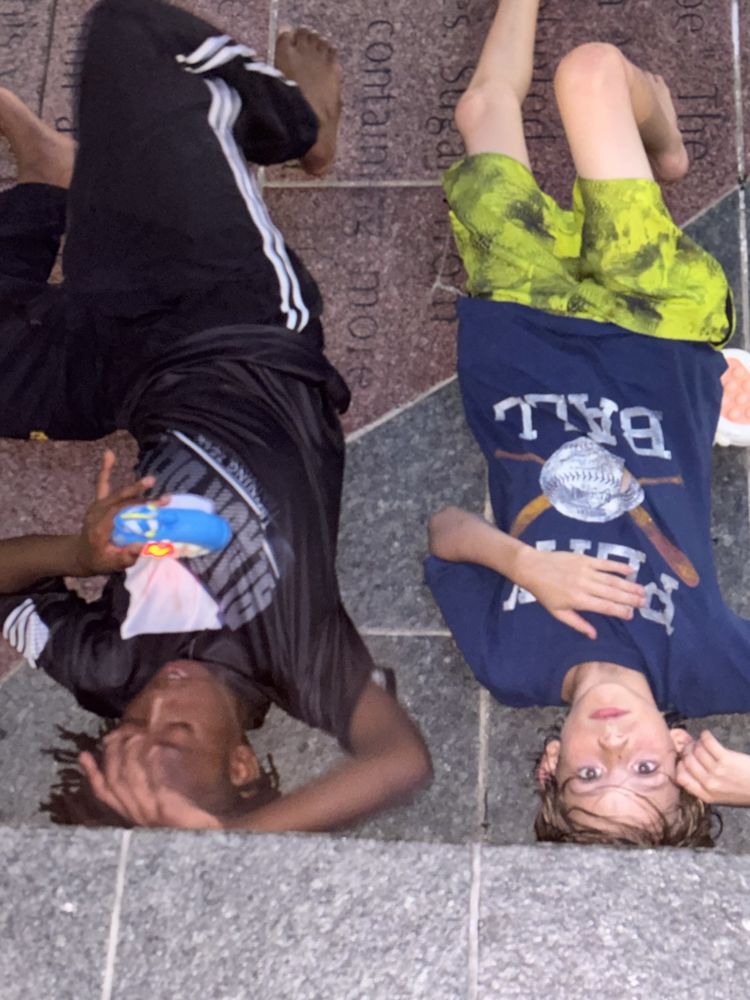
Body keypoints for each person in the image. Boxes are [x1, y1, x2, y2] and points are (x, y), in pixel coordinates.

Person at [0, 0, 431, 831]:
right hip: (235, 319)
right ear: (241, 763)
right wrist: (224, 844)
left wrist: (78, 552)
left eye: (132, 729)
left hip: (127, 381)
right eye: (179, 737)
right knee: (127, 34)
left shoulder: (110, 670)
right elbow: (399, 760)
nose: (158, 703)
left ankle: (48, 182)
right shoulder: (297, 654)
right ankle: (298, 125)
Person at [424, 0, 749, 846]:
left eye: (589, 775)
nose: (613, 746)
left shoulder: (511, 667)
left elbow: (444, 532)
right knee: (591, 73)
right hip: (658, 331)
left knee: (481, 111)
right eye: (646, 770)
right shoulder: (709, 668)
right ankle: (664, 137)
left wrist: (524, 562)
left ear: (549, 764)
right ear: (681, 753)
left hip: (518, 338)